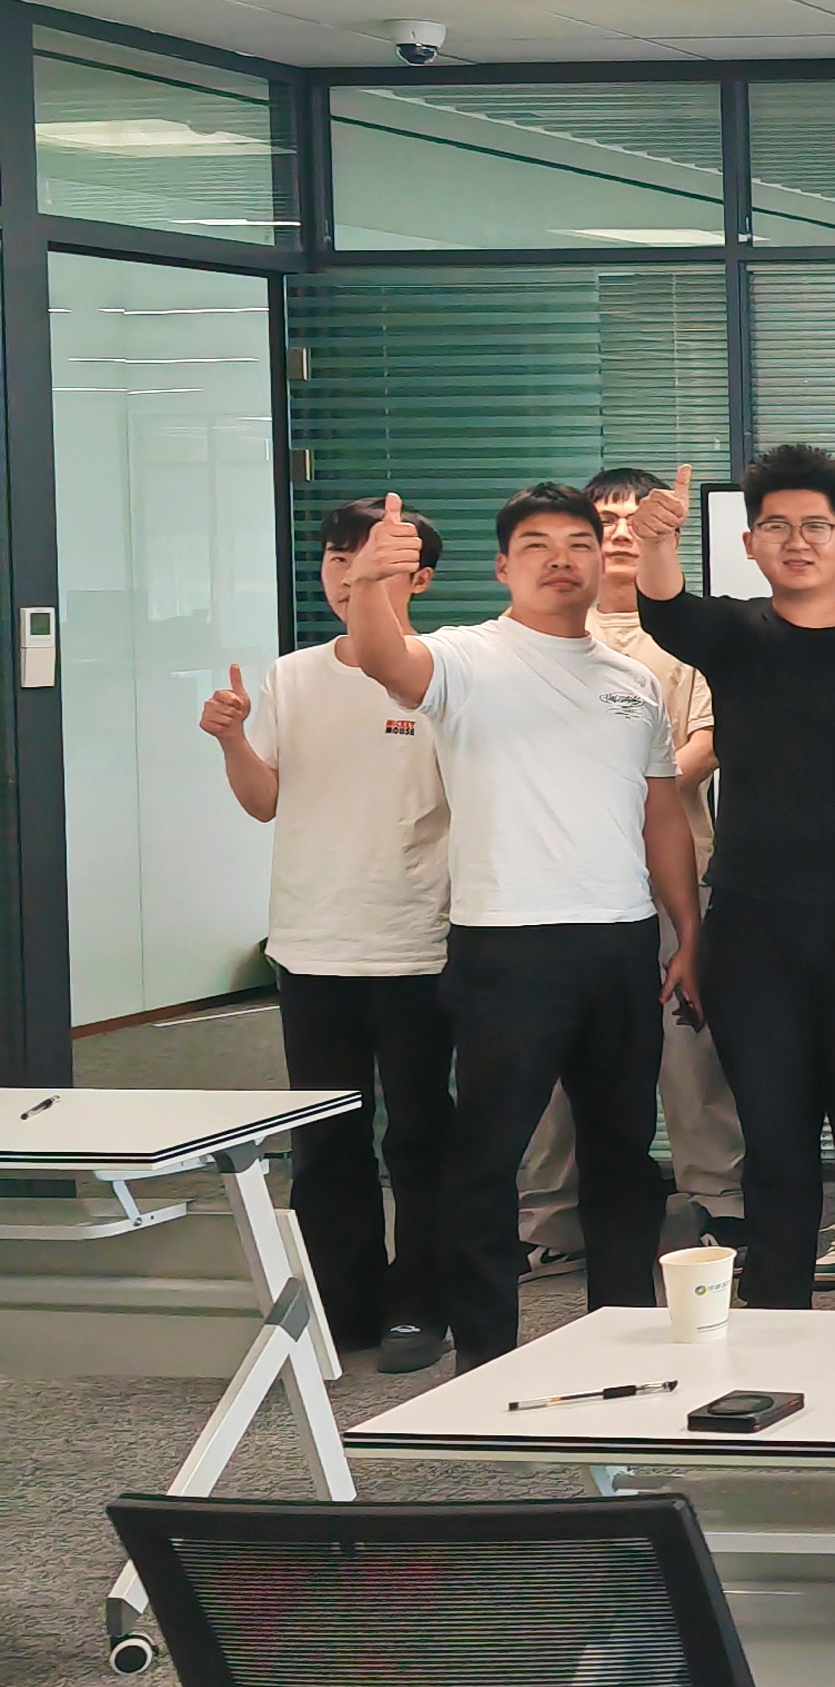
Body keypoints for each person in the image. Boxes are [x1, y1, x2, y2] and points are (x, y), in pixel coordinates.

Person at [334, 485, 694, 1370]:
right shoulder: (464, 657)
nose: (560, 559)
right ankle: (488, 1358)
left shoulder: (634, 680)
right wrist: (374, 580)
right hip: (507, 945)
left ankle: (623, 1342)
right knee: (488, 1158)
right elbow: (384, 660)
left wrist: (688, 932)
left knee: (623, 1156)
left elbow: (661, 815)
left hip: (620, 941)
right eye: (537, 545)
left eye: (579, 543)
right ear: (503, 566)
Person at [633, 449, 835, 1314]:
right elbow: (666, 608)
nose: (797, 541)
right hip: (753, 928)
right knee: (774, 1134)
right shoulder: (735, 635)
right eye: (776, 526)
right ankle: (776, 1310)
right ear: (749, 543)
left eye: (815, 526)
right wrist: (656, 540)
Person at [202, 497, 457, 1374]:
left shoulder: (444, 672)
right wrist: (233, 740)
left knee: (419, 1135)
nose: (350, 575)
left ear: (420, 578)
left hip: (418, 940)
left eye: (375, 559)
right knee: (324, 1140)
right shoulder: (293, 675)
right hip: (311, 943)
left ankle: (421, 1302)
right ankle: (341, 1307)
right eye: (338, 559)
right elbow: (264, 800)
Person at [547, 469, 740, 1263]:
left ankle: (719, 1200)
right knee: (558, 1057)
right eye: (606, 519)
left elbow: (707, 742)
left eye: (637, 518)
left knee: (690, 1051)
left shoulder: (689, 632)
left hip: (676, 870)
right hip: (563, 880)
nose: (622, 532)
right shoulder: (549, 629)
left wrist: (627, 798)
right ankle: (548, 1217)